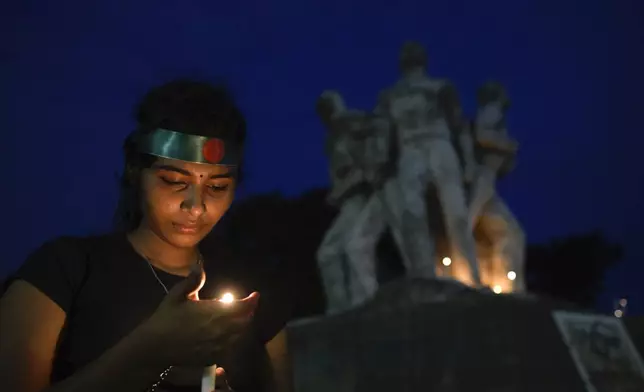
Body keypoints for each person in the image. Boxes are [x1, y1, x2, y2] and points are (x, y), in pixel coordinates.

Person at [0, 80, 293, 392]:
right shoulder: (64, 271)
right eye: (173, 181)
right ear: (134, 171)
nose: (195, 207)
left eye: (217, 187)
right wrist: (148, 352)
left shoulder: (253, 297)